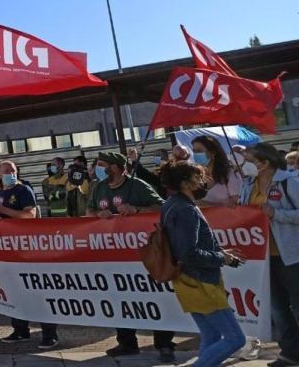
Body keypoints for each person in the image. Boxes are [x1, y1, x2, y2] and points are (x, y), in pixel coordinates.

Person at [88, 151, 173, 361]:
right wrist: (98, 215)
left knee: (154, 296)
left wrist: (136, 209)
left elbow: (162, 207)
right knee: (119, 297)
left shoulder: (138, 185)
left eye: (101, 165)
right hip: (112, 254)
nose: (97, 169)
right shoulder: (98, 187)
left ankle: (164, 344)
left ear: (114, 167)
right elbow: (88, 211)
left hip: (145, 253)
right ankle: (126, 343)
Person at [160, 161, 246, 367]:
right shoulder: (186, 209)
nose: (202, 181)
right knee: (236, 339)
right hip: (201, 281)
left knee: (211, 335)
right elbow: (189, 253)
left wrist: (220, 253)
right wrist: (221, 257)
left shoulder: (172, 205)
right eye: (197, 177)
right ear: (185, 183)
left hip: (187, 279)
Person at [241, 143, 299, 367]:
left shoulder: (289, 182)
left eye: (248, 159)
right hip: (262, 257)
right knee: (277, 307)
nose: (244, 163)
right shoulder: (248, 184)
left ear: (264, 163)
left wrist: (277, 214)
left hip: (291, 254)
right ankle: (290, 352)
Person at [0, 161, 58, 348]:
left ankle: (49, 333)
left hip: (29, 249)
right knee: (14, 292)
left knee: (38, 292)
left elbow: (30, 215)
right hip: (10, 250)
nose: (10, 173)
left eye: (13, 170)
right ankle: (20, 330)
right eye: (6, 171)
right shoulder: (0, 194)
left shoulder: (24, 190)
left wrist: (3, 211)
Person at [191, 135, 241, 208]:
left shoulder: (229, 174)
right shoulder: (195, 175)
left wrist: (209, 205)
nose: (195, 154)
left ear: (212, 152)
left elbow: (236, 204)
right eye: (194, 151)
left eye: (199, 151)